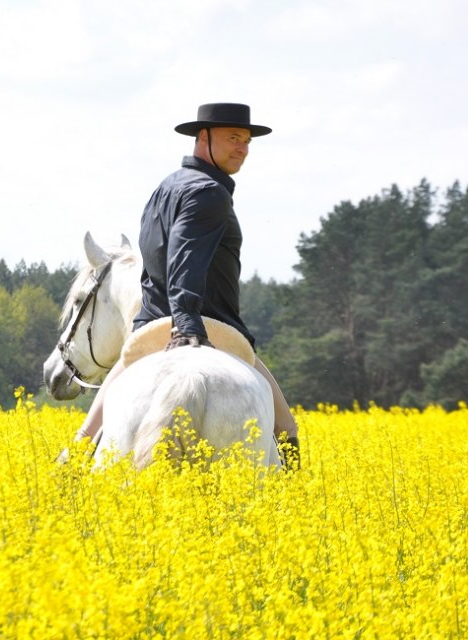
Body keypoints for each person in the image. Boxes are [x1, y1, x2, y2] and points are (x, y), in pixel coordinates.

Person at [69, 102, 299, 465]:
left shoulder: (165, 188)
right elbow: (184, 261)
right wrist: (187, 324)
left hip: (151, 326)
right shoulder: (210, 192)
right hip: (206, 326)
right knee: (287, 433)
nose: (243, 148)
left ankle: (72, 462)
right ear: (203, 138)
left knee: (86, 438)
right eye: (234, 138)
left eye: (247, 141)